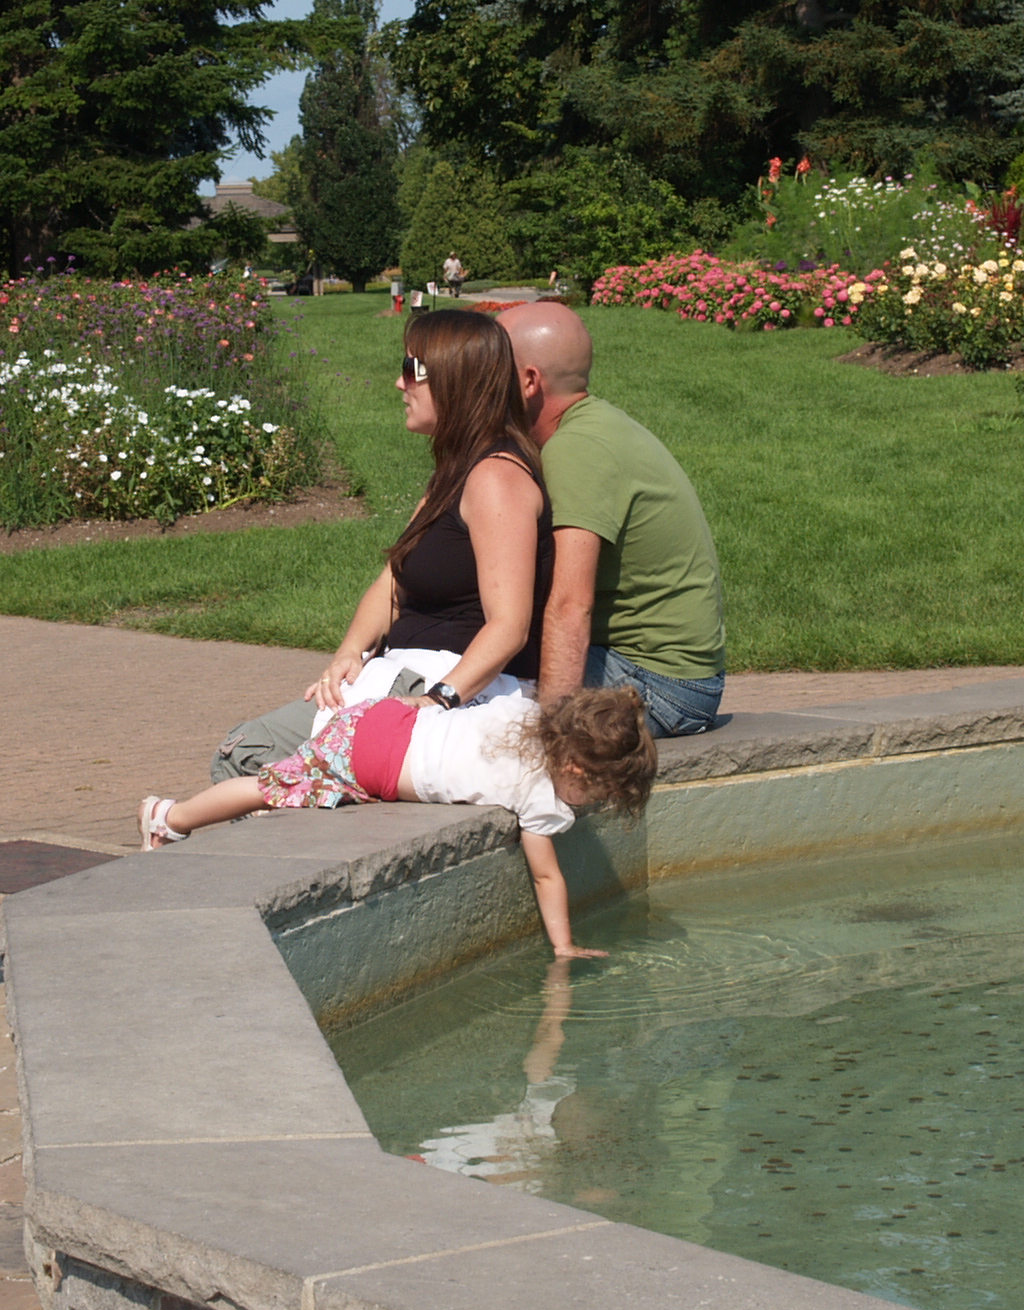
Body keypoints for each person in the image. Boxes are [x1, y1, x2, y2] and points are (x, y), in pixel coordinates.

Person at [212, 308, 552, 778]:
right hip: (401, 675)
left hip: (443, 686)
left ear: (455, 379)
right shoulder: (455, 472)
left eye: (412, 369)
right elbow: (395, 578)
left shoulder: (496, 478)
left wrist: (436, 701)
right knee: (250, 756)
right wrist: (348, 653)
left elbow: (509, 626)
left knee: (246, 756)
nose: (399, 383)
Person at [145, 687, 655, 960]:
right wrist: (563, 946)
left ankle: (181, 816)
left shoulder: (522, 716)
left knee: (290, 785)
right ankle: (169, 816)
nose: (588, 806)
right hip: (369, 761)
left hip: (385, 716)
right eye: (597, 795)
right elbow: (546, 876)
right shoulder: (540, 796)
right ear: (575, 770)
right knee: (274, 787)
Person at [500, 302, 727, 737]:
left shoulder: (578, 447)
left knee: (482, 700)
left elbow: (571, 606)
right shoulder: (592, 427)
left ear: (529, 381)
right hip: (662, 672)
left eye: (491, 362)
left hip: (659, 684)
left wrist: (552, 739)